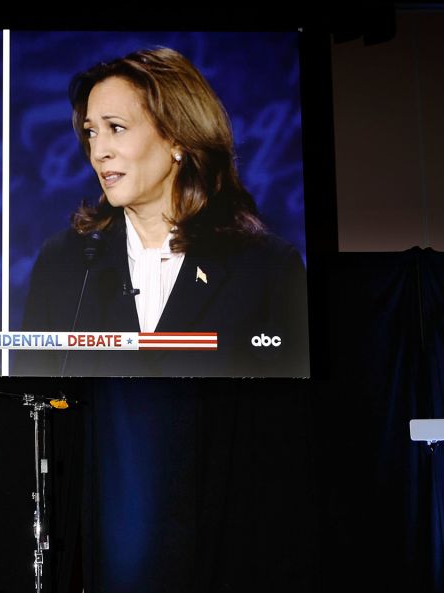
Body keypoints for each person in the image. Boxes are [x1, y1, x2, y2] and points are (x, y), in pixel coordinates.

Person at [17, 48, 309, 378]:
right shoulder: (63, 262)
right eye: (91, 132)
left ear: (177, 139)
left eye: (116, 128)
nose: (99, 152)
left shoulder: (266, 267)